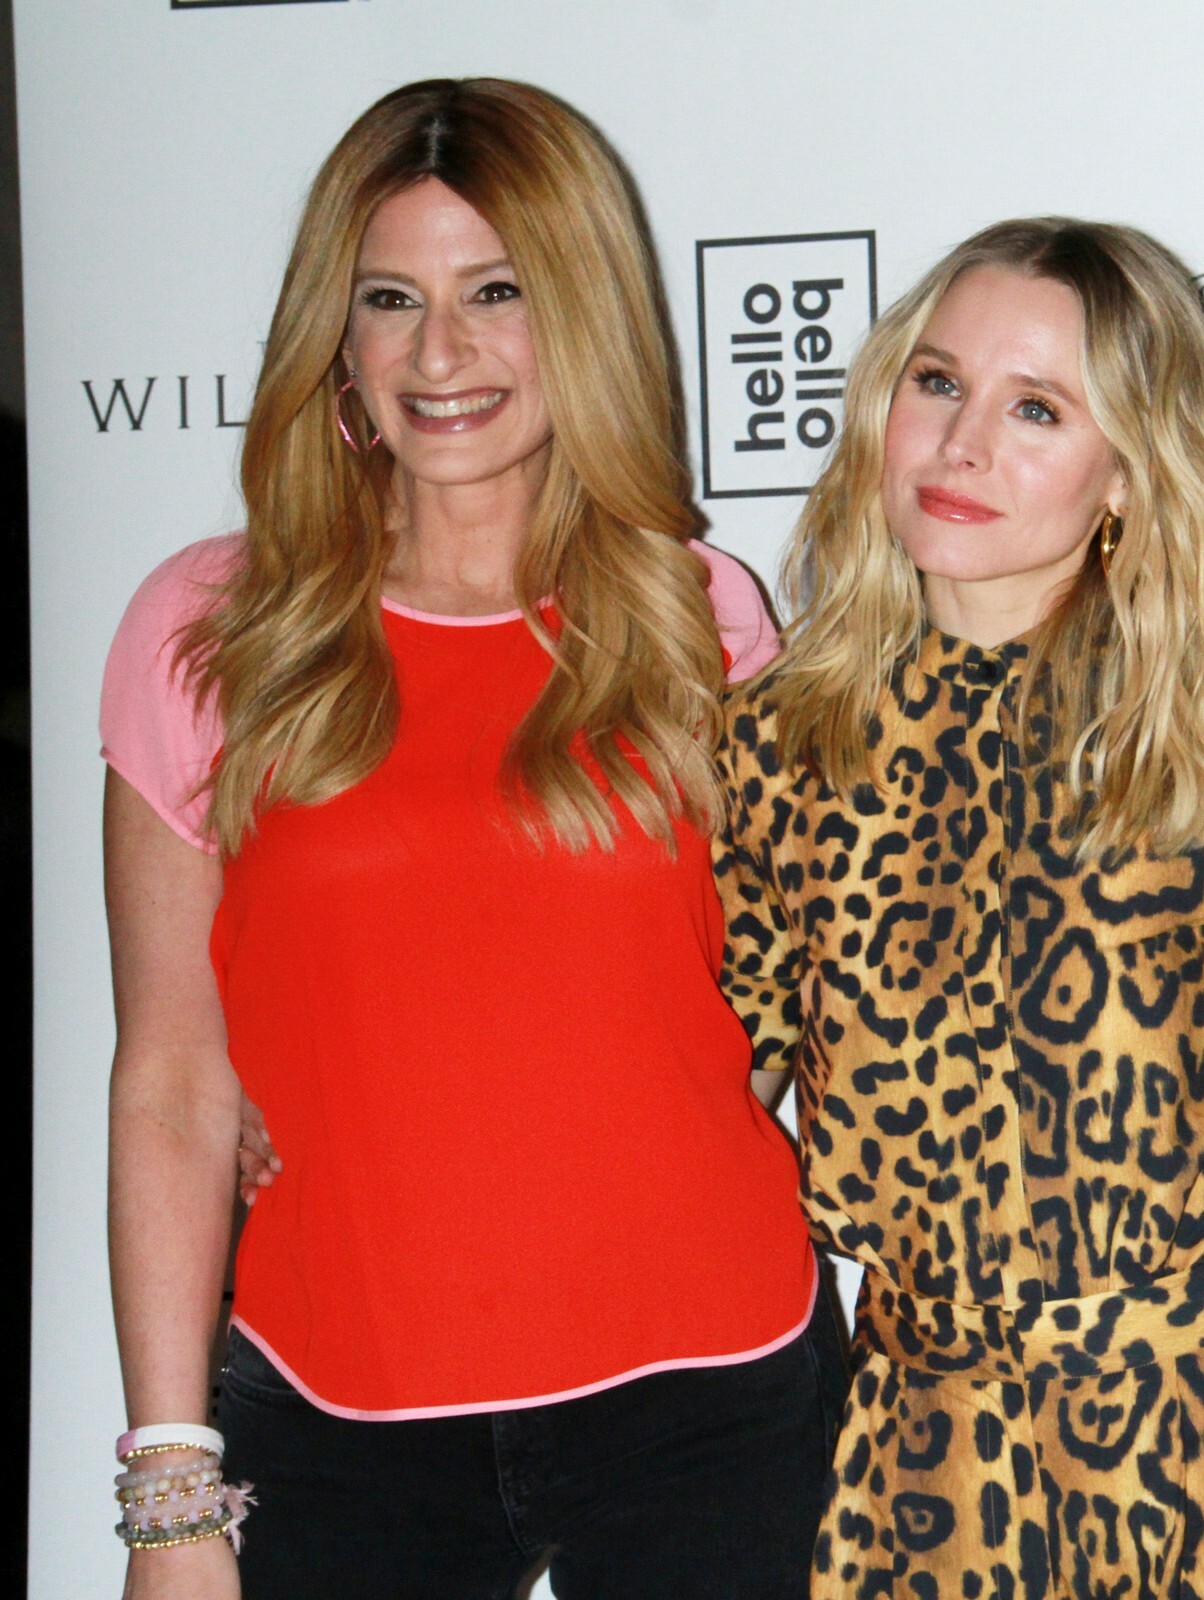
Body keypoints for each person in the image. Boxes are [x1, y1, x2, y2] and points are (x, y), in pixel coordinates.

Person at [101, 78, 840, 1600]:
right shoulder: (207, 630)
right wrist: (171, 1495)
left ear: (583, 314)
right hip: (335, 1411)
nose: (440, 354)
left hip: (715, 1398)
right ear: (338, 337)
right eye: (392, 299)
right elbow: (171, 1079)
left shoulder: (701, 617)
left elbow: (762, 1009)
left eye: (496, 292)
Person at [714, 217, 1204, 1600]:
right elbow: (706, 1090)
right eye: (936, 384)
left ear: (1132, 470)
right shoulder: (779, 747)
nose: (960, 444)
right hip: (917, 1465)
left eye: (1036, 408)